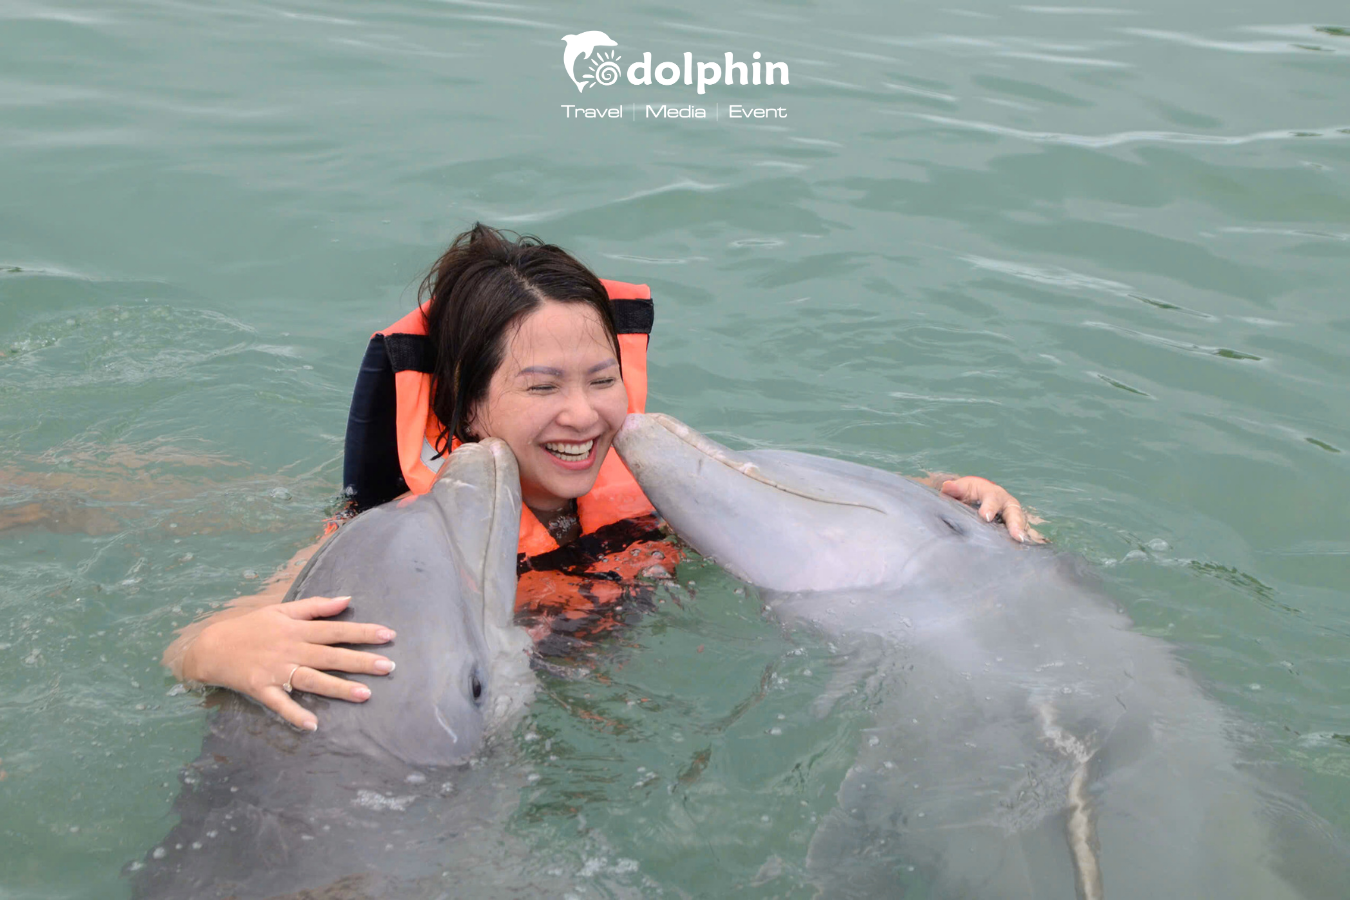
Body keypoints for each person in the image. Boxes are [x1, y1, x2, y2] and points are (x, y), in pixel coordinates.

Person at [163, 223, 1041, 731]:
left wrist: (951, 497)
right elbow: (225, 635)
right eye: (539, 387)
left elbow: (803, 524)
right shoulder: (407, 545)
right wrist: (215, 648)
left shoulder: (654, 491)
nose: (581, 415)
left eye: (599, 379)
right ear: (467, 410)